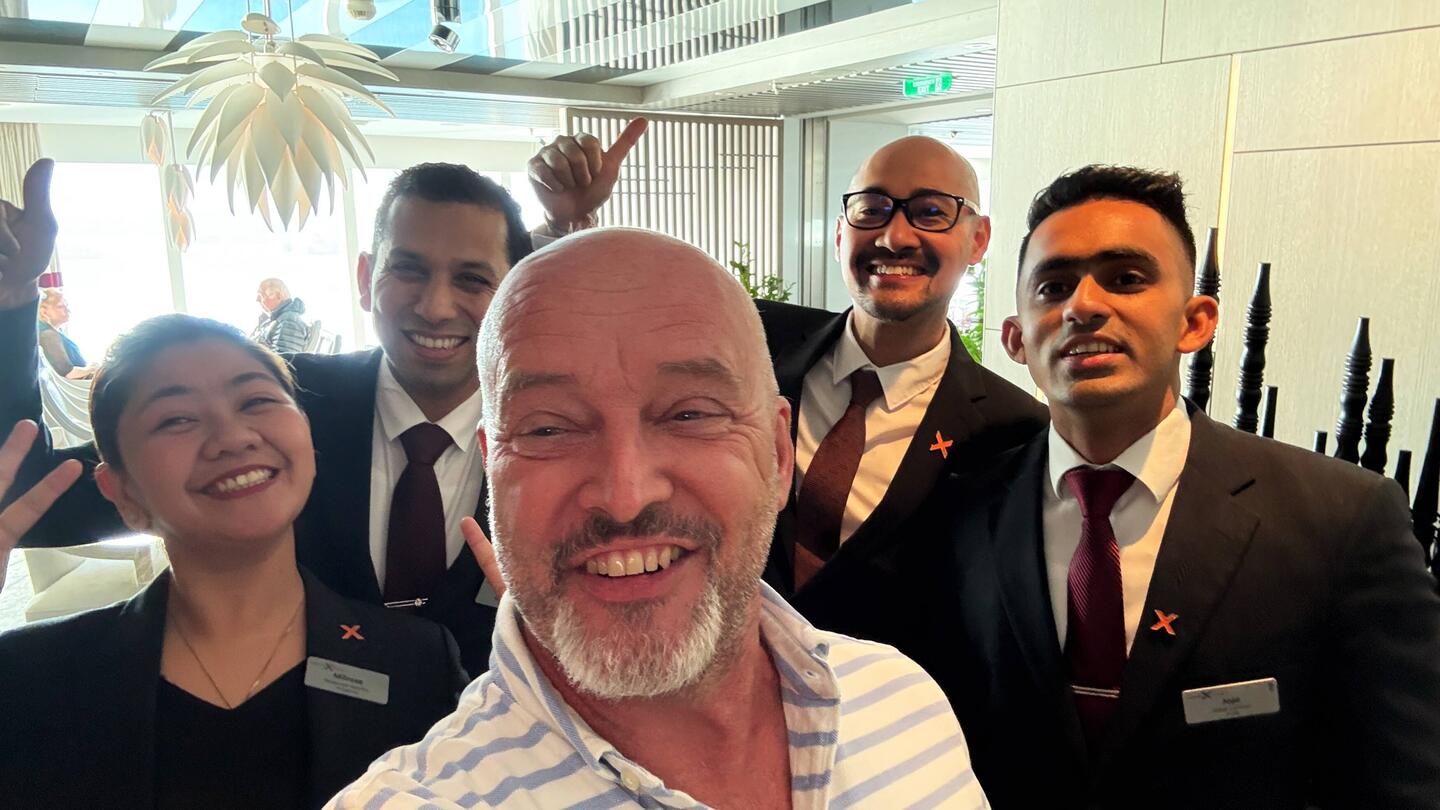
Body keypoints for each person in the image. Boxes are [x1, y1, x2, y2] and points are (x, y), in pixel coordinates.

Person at [327, 229, 990, 809]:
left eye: (690, 414)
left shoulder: (904, 703)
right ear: (490, 470)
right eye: (548, 428)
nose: (625, 496)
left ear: (778, 453)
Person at [843, 166, 1440, 808]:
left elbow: (1405, 782)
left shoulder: (1341, 521)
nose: (1084, 306)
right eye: (1054, 287)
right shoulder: (959, 513)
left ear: (1195, 322)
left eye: (1126, 279)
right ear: (1015, 338)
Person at [0, 120, 644, 675]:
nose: (435, 306)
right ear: (365, 278)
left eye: (473, 280)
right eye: (408, 270)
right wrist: (11, 301)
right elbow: (31, 497)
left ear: (510, 295)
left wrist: (566, 227)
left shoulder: (553, 432)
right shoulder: (275, 410)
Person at [0, 315, 467, 809]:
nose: (234, 436)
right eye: (176, 419)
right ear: (123, 492)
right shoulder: (29, 677)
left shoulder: (419, 664)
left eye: (256, 401)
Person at [37, 287, 93, 378]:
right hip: (77, 385)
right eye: (60, 306)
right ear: (44, 312)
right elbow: (68, 373)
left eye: (66, 305)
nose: (67, 310)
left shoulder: (54, 332)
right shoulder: (48, 335)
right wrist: (92, 369)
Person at [251, 277, 311, 354]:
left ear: (278, 295)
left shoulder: (289, 321)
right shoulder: (277, 319)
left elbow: (284, 359)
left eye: (261, 295)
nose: (258, 300)